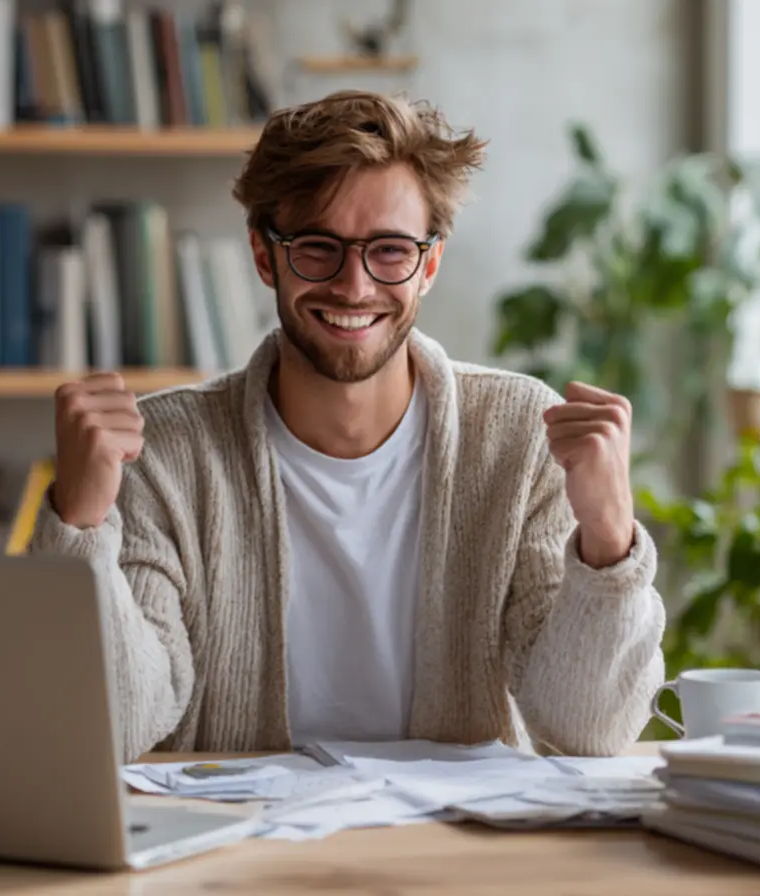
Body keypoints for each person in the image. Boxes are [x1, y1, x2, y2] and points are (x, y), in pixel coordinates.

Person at [32, 90, 666, 763]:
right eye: (317, 248)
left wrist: (609, 541)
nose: (354, 286)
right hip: (234, 853)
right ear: (263, 254)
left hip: (456, 854)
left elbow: (589, 730)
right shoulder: (164, 452)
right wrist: (82, 525)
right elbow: (114, 726)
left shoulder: (517, 437)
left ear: (430, 263)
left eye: (389, 251)